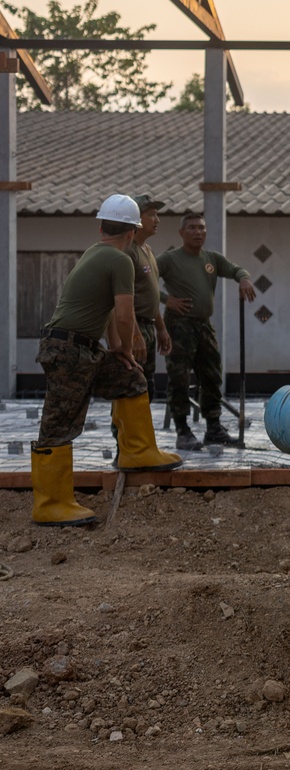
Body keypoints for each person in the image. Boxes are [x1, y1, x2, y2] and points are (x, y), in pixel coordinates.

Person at [31, 194, 181, 527]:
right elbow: (126, 315)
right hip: (68, 350)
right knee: (59, 422)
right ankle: (51, 503)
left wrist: (117, 349)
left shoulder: (96, 253)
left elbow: (110, 312)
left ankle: (137, 452)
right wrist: (128, 345)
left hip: (82, 348)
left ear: (102, 227)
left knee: (130, 379)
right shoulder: (120, 260)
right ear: (132, 231)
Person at [158, 211, 256, 449]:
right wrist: (165, 299)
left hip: (204, 324)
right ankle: (182, 430)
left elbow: (236, 269)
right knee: (179, 377)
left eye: (201, 227)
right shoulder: (169, 259)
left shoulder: (210, 258)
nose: (198, 232)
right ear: (181, 233)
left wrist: (243, 278)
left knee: (212, 375)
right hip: (179, 324)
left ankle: (214, 428)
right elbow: (142, 282)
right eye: (191, 228)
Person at [129, 194, 172, 401]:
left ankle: (140, 434)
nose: (157, 220)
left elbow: (151, 293)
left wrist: (161, 328)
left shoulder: (148, 250)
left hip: (148, 327)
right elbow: (122, 300)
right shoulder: (128, 251)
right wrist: (135, 335)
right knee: (130, 387)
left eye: (157, 214)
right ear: (137, 218)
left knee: (147, 389)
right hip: (131, 327)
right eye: (151, 215)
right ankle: (123, 434)